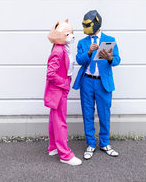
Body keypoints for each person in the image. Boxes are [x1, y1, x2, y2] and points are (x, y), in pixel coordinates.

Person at [72, 10, 121, 160]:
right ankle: (91, 144)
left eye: (87, 25)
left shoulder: (109, 40)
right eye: (83, 25)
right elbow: (79, 60)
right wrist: (88, 52)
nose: (85, 28)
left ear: (96, 23)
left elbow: (118, 60)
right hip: (87, 81)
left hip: (103, 83)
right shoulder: (83, 42)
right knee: (87, 113)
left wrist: (110, 58)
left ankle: (105, 143)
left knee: (104, 114)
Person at [44, 19, 82, 166]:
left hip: (59, 91)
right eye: (68, 33)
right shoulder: (59, 50)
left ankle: (53, 147)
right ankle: (65, 154)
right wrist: (65, 84)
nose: (72, 36)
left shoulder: (62, 48)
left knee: (54, 119)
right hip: (59, 91)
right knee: (60, 122)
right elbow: (50, 74)